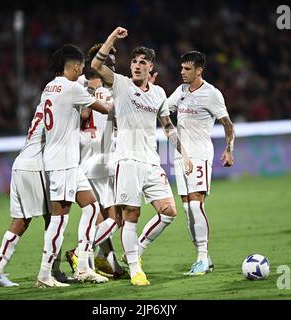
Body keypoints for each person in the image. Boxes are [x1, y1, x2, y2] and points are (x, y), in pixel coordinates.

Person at [91, 27, 193, 286]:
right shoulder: (121, 84)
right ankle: (136, 270)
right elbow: (95, 64)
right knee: (131, 215)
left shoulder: (158, 93)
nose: (136, 66)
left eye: (142, 63)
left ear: (151, 68)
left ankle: (134, 249)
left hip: (151, 161)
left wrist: (184, 153)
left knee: (169, 211)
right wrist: (112, 37)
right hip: (126, 160)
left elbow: (167, 127)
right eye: (134, 61)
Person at [36, 44, 112, 287]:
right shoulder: (71, 89)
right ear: (77, 66)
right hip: (62, 163)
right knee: (60, 219)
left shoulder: (50, 86)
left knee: (91, 207)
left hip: (68, 161)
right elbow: (105, 109)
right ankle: (45, 274)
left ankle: (82, 267)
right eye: (81, 68)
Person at [0, 97, 70, 288]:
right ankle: (51, 272)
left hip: (21, 163)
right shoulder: (59, 108)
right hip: (35, 167)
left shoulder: (44, 106)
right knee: (54, 218)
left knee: (22, 221)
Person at [167, 51, 235, 276]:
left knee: (196, 205)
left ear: (199, 70)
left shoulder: (212, 94)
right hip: (181, 155)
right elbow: (164, 110)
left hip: (200, 156)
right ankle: (204, 256)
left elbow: (227, 124)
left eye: (187, 69)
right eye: (182, 68)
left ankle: (202, 257)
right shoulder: (181, 91)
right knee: (187, 209)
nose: (182, 72)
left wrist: (229, 150)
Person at [63, 44, 127, 279]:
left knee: (100, 218)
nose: (113, 64)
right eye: (109, 59)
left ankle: (110, 264)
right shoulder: (113, 87)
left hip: (86, 160)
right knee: (117, 217)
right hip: (100, 161)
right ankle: (81, 253)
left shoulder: (76, 85)